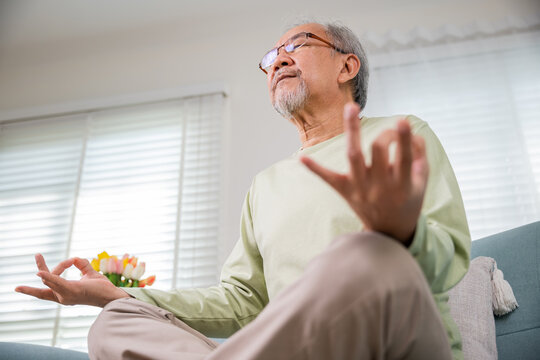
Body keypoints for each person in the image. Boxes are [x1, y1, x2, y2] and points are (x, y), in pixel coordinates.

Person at [16, 21, 471, 360]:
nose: (279, 60)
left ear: (347, 66)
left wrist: (401, 233)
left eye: (297, 45)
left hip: (390, 339)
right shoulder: (265, 187)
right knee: (116, 324)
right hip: (294, 348)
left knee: (364, 254)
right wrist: (123, 295)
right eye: (271, 57)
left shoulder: (402, 133)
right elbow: (242, 301)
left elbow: (449, 260)